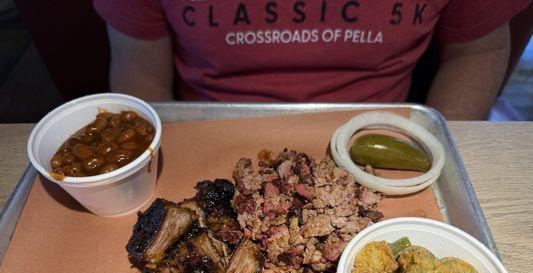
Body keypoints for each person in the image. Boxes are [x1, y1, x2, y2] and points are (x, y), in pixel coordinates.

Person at [93, 0, 530, 120]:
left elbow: (479, 49)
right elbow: (139, 68)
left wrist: (434, 152)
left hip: (383, 132)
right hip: (202, 132)